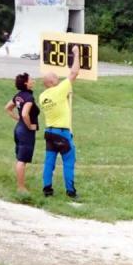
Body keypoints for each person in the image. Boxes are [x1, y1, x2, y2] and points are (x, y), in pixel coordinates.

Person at [39, 45, 80, 198]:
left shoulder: (42, 96)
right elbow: (74, 72)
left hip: (49, 132)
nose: (58, 78)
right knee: (69, 161)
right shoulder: (59, 90)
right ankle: (71, 192)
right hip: (62, 133)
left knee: (49, 162)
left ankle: (47, 189)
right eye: (56, 77)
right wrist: (76, 53)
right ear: (51, 81)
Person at [5, 73, 39, 193]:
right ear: (26, 83)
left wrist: (18, 120)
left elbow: (7, 108)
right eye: (31, 79)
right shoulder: (29, 98)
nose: (33, 80)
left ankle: (20, 184)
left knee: (20, 158)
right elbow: (25, 114)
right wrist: (29, 126)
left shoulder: (19, 96)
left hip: (18, 129)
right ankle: (21, 187)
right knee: (22, 160)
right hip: (25, 131)